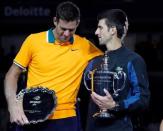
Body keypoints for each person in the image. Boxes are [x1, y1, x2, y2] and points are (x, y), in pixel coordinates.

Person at [4, 1, 103, 131]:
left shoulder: (85, 45)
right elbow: (12, 74)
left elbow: (109, 60)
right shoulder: (33, 41)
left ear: (77, 23)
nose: (67, 34)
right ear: (55, 21)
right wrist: (12, 106)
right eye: (63, 29)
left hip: (66, 118)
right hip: (32, 113)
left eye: (71, 30)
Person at [84, 9, 150, 131]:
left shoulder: (133, 60)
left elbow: (142, 99)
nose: (96, 32)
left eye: (100, 28)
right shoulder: (94, 61)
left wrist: (115, 105)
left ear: (113, 30)